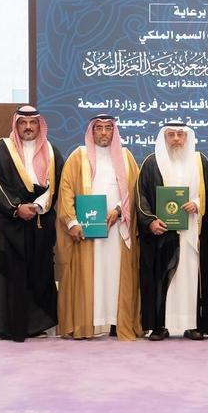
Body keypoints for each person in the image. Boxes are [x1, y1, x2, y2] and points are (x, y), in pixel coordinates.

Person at [56, 114, 141, 340]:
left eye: (108, 128)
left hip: (117, 230)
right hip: (87, 232)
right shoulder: (78, 156)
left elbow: (135, 190)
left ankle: (117, 322)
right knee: (91, 276)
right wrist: (72, 222)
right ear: (91, 131)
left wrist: (119, 210)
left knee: (116, 276)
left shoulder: (125, 157)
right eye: (99, 128)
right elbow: (66, 191)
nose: (103, 133)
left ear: (114, 132)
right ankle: (88, 323)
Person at [0, 106, 63, 341]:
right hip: (9, 225)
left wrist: (38, 206)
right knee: (7, 275)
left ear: (40, 125)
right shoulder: (2, 148)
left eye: (33, 123)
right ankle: (4, 327)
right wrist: (16, 208)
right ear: (16, 125)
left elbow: (57, 185)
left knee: (39, 274)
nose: (28, 127)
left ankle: (37, 326)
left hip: (39, 222)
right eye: (23, 123)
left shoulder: (51, 151)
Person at [135, 120, 208, 340]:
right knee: (162, 277)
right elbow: (141, 196)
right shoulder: (152, 162)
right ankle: (160, 326)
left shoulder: (200, 161)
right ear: (164, 138)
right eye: (171, 135)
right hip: (162, 234)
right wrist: (150, 222)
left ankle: (193, 325)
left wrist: (197, 203)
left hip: (192, 232)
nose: (176, 139)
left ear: (187, 137)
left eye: (181, 134)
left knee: (191, 277)